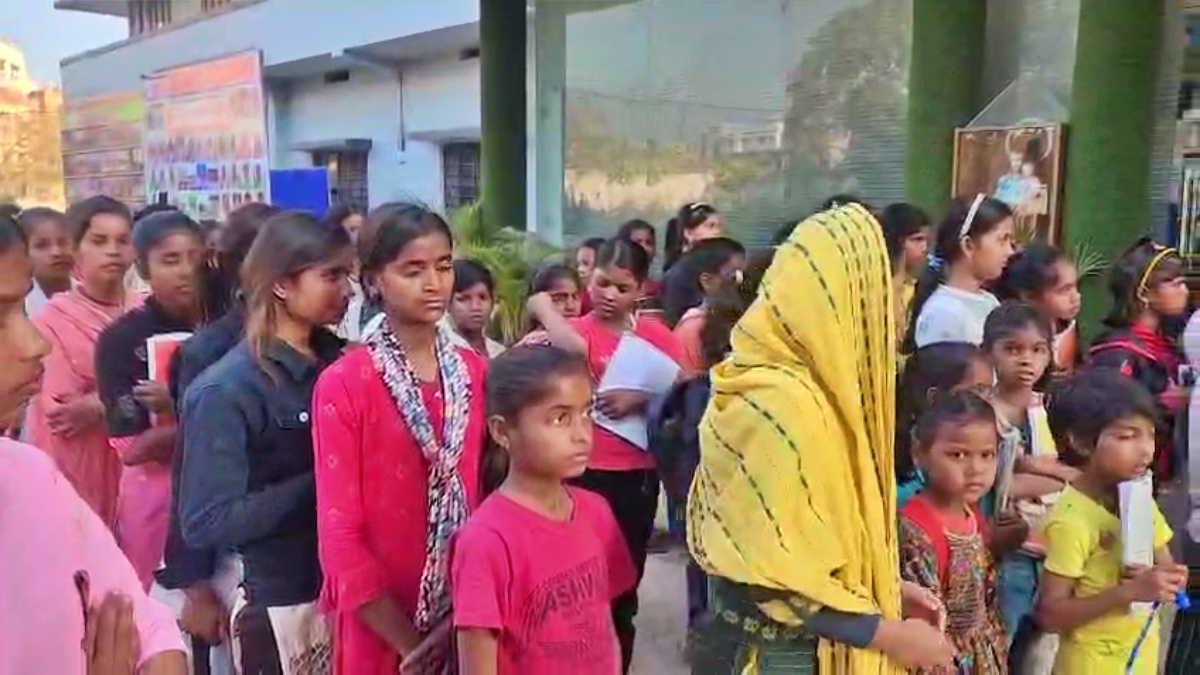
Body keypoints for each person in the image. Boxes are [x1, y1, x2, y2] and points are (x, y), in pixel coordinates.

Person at [688, 203, 955, 673]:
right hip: (777, 658)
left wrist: (883, 591)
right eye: (889, 290)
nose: (898, 310)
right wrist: (890, 635)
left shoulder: (786, 382)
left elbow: (806, 546)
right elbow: (772, 577)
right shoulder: (784, 406)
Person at [0, 211, 187, 675]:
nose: (33, 344)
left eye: (21, 308)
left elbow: (152, 631)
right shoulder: (109, 335)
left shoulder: (28, 475)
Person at [312, 202, 488, 674]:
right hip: (381, 622)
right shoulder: (347, 383)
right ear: (373, 280)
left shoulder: (474, 372)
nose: (434, 284)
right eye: (413, 270)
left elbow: (489, 496)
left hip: (468, 617)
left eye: (443, 266)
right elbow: (339, 535)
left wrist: (464, 620)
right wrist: (413, 646)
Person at [178, 210, 352, 671]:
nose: (347, 291)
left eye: (348, 275)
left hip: (346, 591)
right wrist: (327, 483)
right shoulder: (228, 389)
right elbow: (209, 519)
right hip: (277, 600)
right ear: (281, 283)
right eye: (330, 276)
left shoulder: (344, 365)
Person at [526, 237, 683, 672]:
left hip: (635, 478)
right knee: (572, 583)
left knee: (622, 586)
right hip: (579, 476)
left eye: (622, 287)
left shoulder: (657, 339)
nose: (609, 295)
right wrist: (544, 310)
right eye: (601, 283)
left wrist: (643, 400)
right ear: (586, 280)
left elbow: (687, 394)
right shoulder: (569, 334)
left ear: (640, 291)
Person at [452, 345, 634, 674]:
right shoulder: (487, 541)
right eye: (559, 418)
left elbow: (605, 623)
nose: (581, 435)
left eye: (586, 413)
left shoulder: (597, 513)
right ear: (502, 431)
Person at [155, 201, 275, 675]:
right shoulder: (212, 357)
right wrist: (195, 584)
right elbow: (193, 474)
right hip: (233, 560)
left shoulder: (322, 348)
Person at [1037, 369, 1189, 674]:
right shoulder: (1072, 520)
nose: (1146, 449)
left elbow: (1165, 566)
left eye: (1150, 435)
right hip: (1091, 664)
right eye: (1126, 436)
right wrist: (1127, 592)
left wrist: (1170, 579)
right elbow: (1050, 615)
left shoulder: (1138, 495)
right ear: (1081, 442)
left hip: (1139, 655)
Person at [95, 212, 206, 590]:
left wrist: (175, 408)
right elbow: (133, 448)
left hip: (221, 495)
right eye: (170, 260)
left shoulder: (230, 328)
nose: (187, 271)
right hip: (155, 500)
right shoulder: (121, 341)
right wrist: (197, 418)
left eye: (196, 258)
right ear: (142, 268)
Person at [27, 195, 139, 529]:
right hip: (79, 466)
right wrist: (125, 397)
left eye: (123, 240)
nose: (114, 251)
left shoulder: (147, 312)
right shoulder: (51, 320)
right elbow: (62, 412)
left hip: (141, 468)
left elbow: (169, 388)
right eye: (99, 241)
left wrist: (100, 402)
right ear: (76, 249)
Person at [980, 303, 1072, 670]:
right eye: (1012, 349)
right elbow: (997, 484)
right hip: (1005, 554)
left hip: (1050, 552)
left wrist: (1046, 474)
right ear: (988, 351)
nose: (1026, 360)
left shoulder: (1047, 410)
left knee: (1041, 653)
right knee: (1001, 642)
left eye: (1037, 350)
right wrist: (1061, 477)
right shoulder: (982, 411)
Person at [898, 392, 1010, 673]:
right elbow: (927, 622)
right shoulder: (915, 529)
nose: (976, 469)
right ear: (920, 453)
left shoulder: (971, 513)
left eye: (987, 455)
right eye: (957, 455)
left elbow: (987, 600)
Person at [1088, 239, 1190, 482]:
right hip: (1125, 480)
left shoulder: (1171, 346)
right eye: (1175, 283)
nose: (1184, 290)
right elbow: (1105, 415)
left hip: (1162, 476)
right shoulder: (1117, 352)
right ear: (1144, 293)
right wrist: (1165, 404)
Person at [905, 195, 1015, 351]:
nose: (1010, 251)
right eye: (1002, 240)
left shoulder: (990, 301)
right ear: (968, 245)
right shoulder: (943, 313)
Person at [895, 343, 994, 509]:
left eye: (986, 455)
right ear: (935, 397)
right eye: (977, 391)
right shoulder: (906, 499)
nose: (988, 401)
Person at [997, 243, 1082, 376]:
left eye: (1075, 287)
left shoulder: (1068, 328)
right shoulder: (1011, 334)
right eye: (1064, 290)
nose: (1075, 297)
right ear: (1029, 296)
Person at [661, 236, 745, 332]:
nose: (740, 280)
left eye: (744, 273)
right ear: (707, 281)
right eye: (732, 276)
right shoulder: (693, 327)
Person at [879, 203, 931, 355]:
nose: (925, 247)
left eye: (926, 240)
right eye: (917, 239)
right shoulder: (876, 289)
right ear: (897, 240)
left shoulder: (916, 288)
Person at [324, 203, 371, 341]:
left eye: (362, 229)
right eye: (352, 230)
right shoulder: (331, 272)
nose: (358, 236)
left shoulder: (373, 270)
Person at [17, 206, 74, 318]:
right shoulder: (18, 307)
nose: (57, 252)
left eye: (63, 242)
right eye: (42, 246)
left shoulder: (92, 294)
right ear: (22, 252)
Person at [446, 259, 506, 358]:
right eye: (464, 299)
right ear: (448, 303)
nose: (475, 307)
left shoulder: (500, 354)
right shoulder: (440, 351)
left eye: (482, 297)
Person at [517, 263, 582, 347]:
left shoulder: (590, 335)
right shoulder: (531, 345)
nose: (571, 306)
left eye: (575, 297)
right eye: (559, 299)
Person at [663, 202, 722, 272]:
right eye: (710, 226)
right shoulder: (679, 268)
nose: (717, 231)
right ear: (689, 233)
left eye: (718, 226)